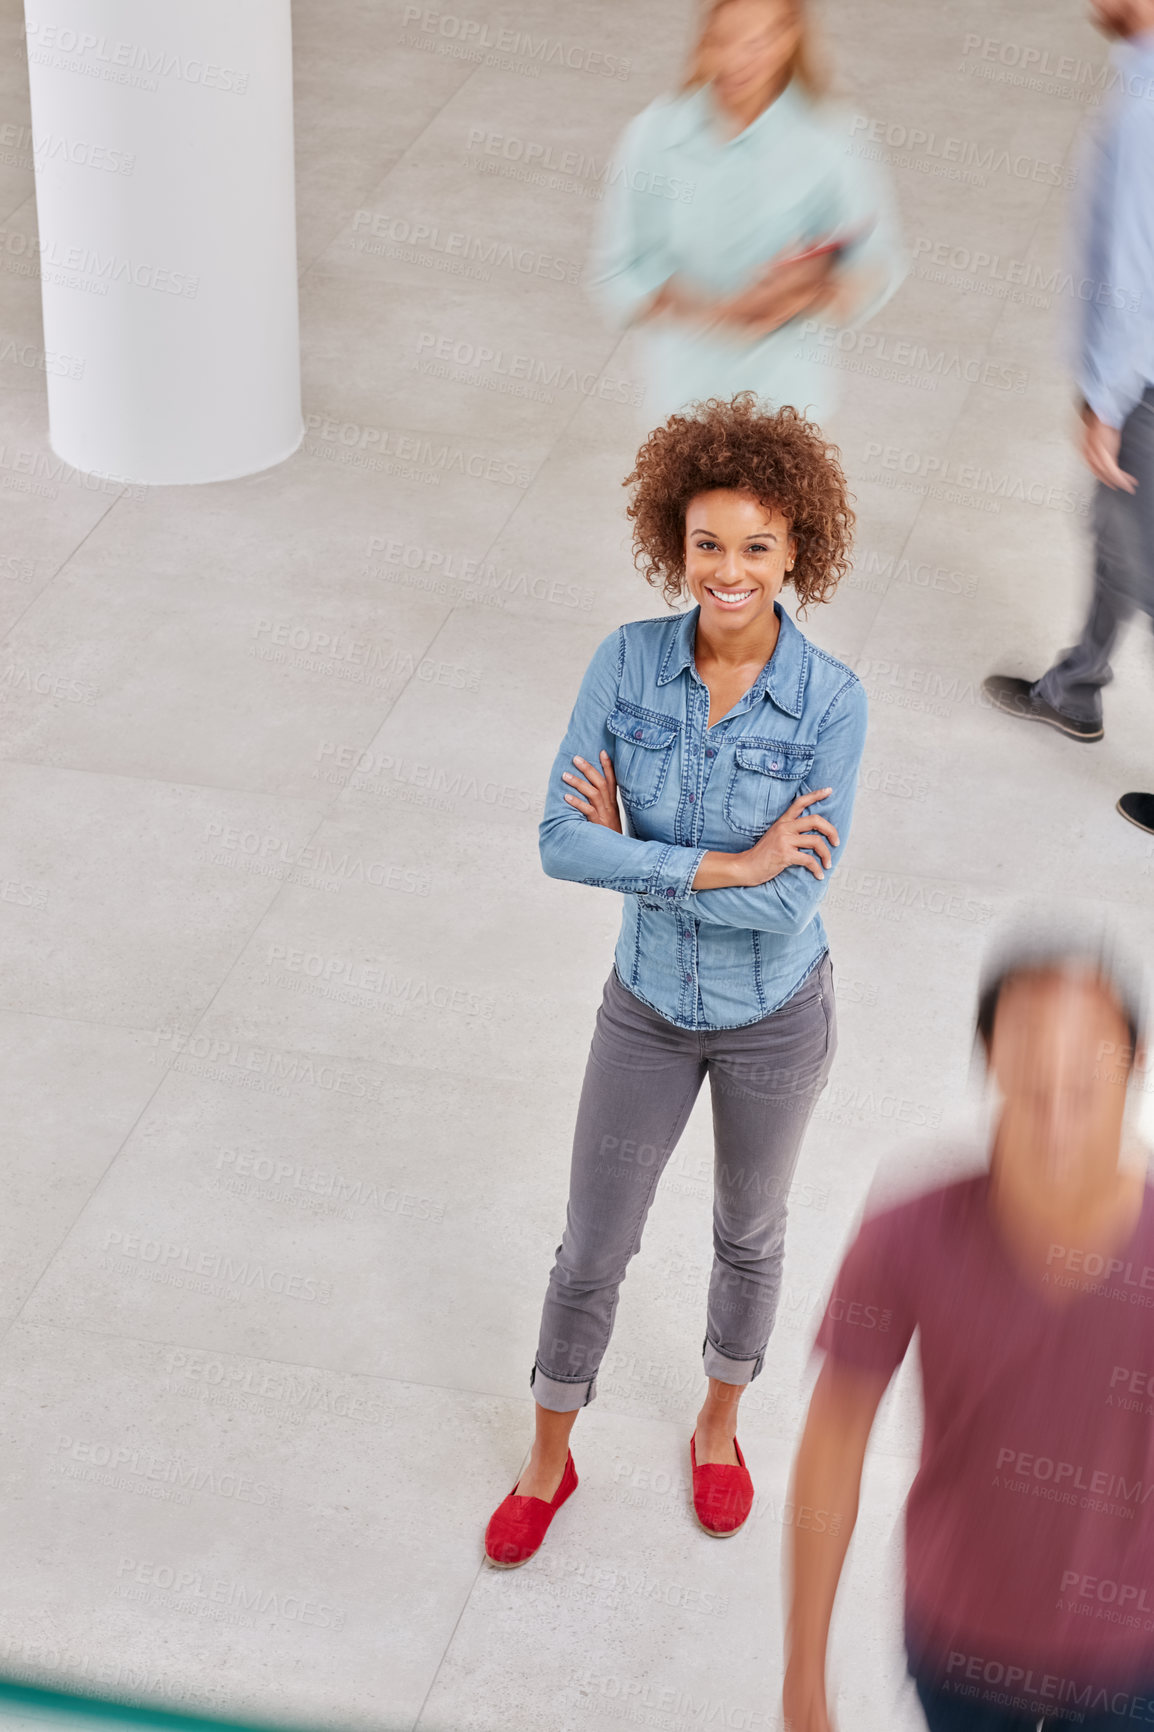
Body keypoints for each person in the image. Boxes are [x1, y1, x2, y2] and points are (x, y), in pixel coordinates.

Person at [482, 393, 867, 1568]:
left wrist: (645, 860)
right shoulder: (626, 664)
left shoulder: (830, 704)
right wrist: (722, 861)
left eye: (755, 545)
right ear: (673, 543)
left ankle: (717, 1423)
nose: (729, 570)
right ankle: (549, 1454)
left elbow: (784, 900)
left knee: (747, 1232)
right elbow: (555, 839)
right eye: (707, 544)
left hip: (773, 1020)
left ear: (795, 547)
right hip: (643, 1010)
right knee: (592, 1241)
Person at [782, 932, 1154, 1732]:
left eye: (1084, 1071)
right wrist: (803, 1666)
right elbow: (832, 1445)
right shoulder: (907, 1232)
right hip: (960, 1639)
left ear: (1134, 1064)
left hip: (1136, 1655)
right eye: (1033, 1065)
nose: (1057, 1097)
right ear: (991, 1059)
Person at [983, 0, 1154, 835]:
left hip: (1146, 385)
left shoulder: (1147, 105)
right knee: (1115, 531)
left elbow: (1130, 271)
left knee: (1144, 560)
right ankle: (1076, 687)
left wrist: (1106, 399)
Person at [587, 0, 906, 426]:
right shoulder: (656, 135)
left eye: (755, 43)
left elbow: (878, 260)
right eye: (722, 40)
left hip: (787, 406)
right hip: (687, 406)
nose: (734, 60)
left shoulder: (831, 135)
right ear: (704, 38)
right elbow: (616, 273)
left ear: (788, 37)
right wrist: (705, 313)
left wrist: (815, 286)